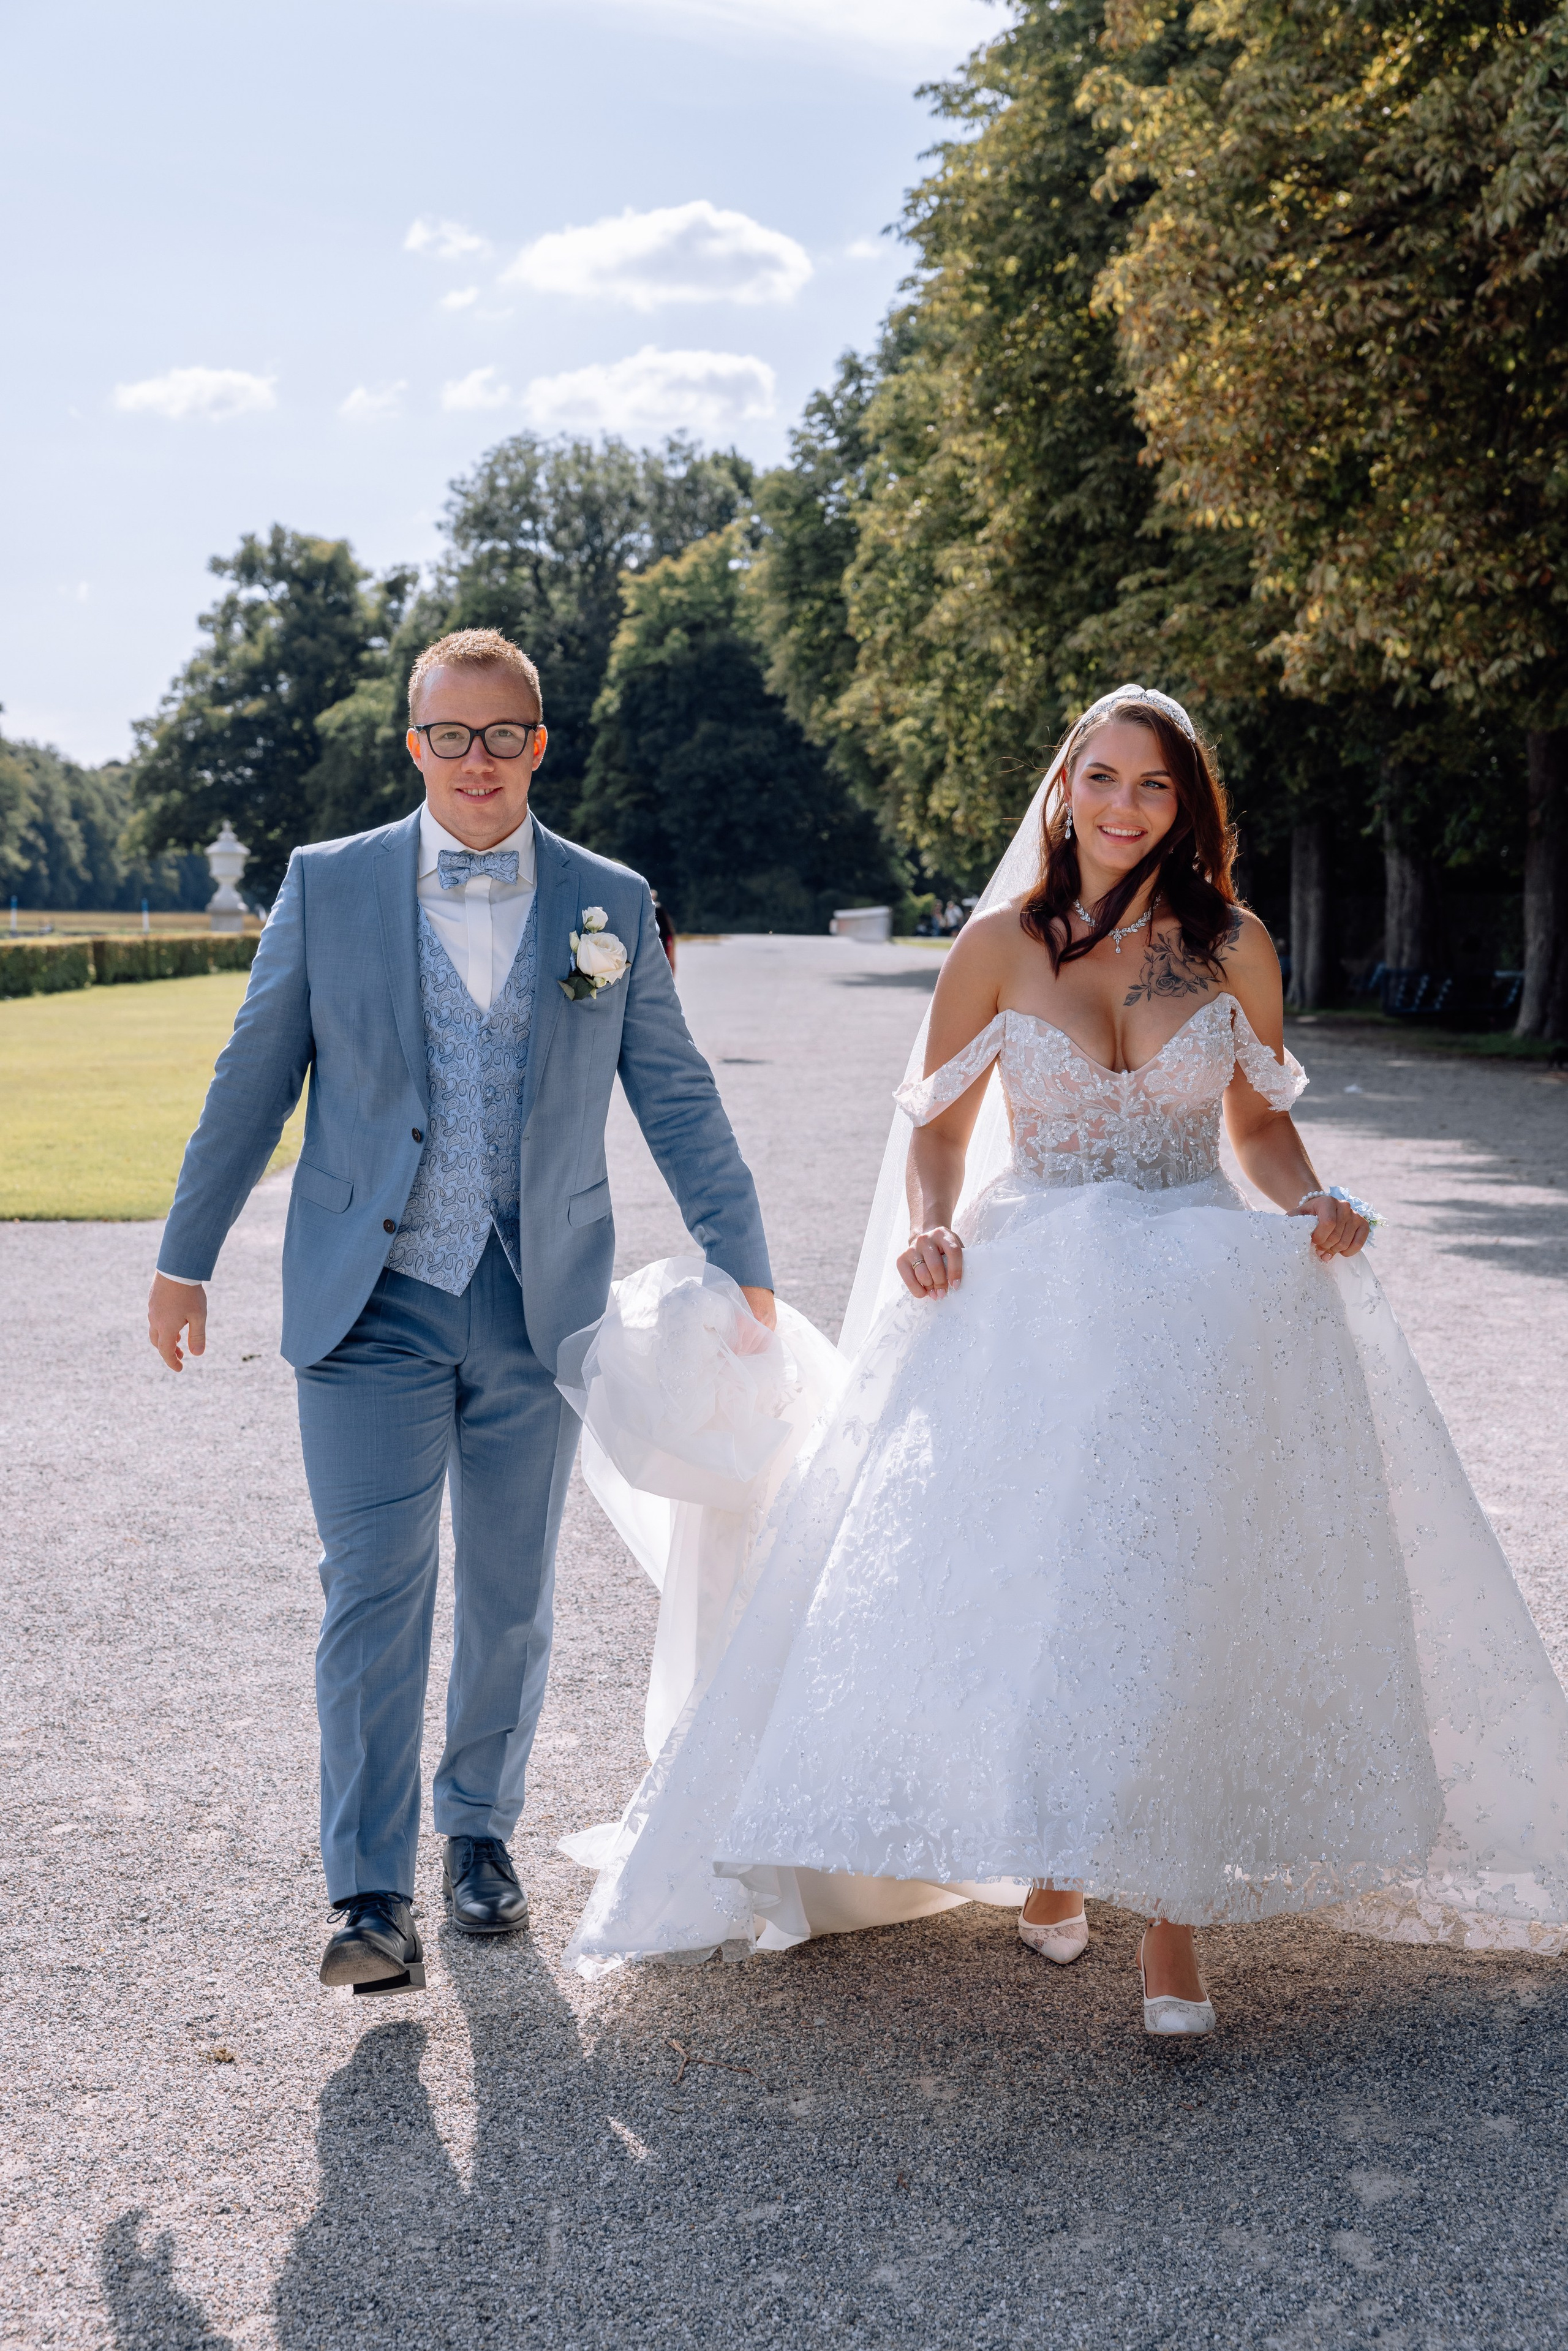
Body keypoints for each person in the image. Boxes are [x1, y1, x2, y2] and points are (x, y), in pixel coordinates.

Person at [560, 682, 1568, 2031]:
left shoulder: (1231, 947)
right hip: (1029, 1293)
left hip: (1193, 1289)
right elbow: (934, 1126)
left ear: (1184, 806)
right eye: (1101, 778)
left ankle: (1172, 1922)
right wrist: (926, 1228)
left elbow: (1257, 1128)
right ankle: (1050, 1855)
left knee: (1174, 1572)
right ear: (1064, 788)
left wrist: (1309, 1200)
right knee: (1048, 1571)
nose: (1121, 806)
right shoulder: (995, 943)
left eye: (1152, 786)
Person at [147, 626, 774, 1996]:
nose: (476, 760)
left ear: (536, 745)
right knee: (371, 1585)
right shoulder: (330, 883)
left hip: (534, 1301)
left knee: (509, 1589)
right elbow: (252, 1076)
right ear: (412, 742)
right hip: (367, 1300)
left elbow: (671, 1090)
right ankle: (367, 1888)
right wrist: (185, 1252)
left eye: (501, 735)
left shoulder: (607, 897)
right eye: (450, 735)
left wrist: (746, 1258)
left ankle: (477, 1830)